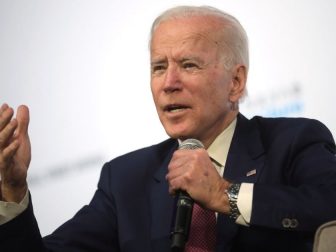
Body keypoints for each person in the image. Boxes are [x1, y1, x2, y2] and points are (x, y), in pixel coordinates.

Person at [1, 5, 336, 252]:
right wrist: (14, 192)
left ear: (235, 82)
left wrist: (223, 193)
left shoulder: (293, 143)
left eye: (188, 64)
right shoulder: (125, 180)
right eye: (159, 67)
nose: (169, 83)